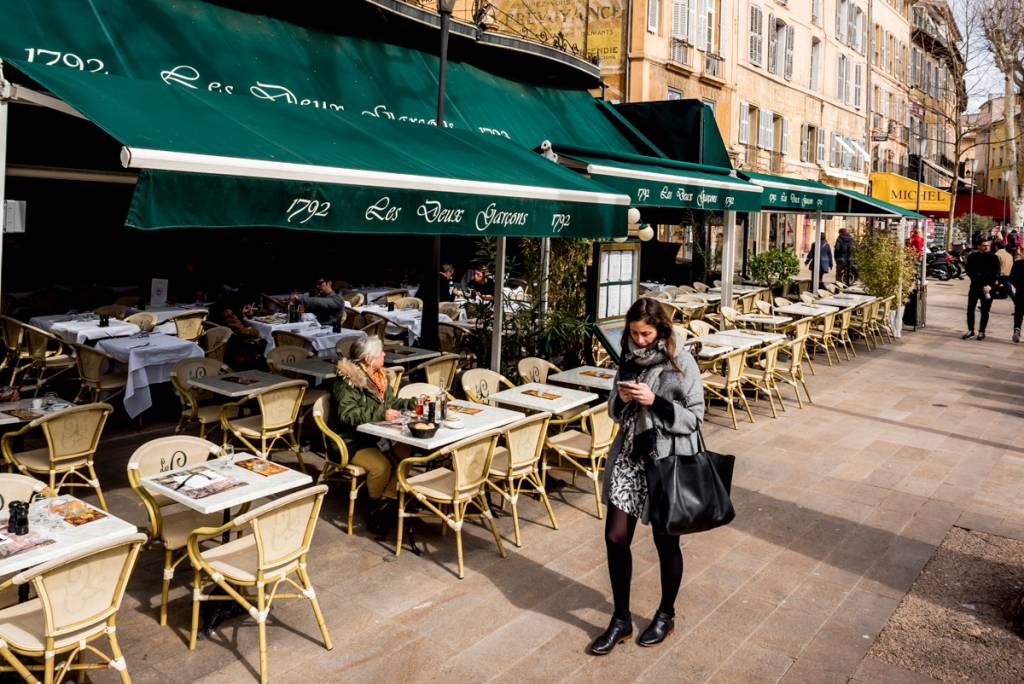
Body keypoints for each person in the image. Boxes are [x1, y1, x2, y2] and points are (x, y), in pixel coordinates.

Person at [590, 298, 705, 656]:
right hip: (629, 456)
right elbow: (612, 410)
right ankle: (621, 618)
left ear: (661, 331)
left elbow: (695, 418)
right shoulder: (626, 357)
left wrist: (654, 400)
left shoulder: (681, 361)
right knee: (614, 536)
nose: (638, 340)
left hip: (665, 461)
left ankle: (665, 614)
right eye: (634, 333)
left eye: (645, 334)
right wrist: (624, 400)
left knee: (665, 542)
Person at [330, 337, 415, 530]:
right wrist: (380, 413)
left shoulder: (379, 377)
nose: (384, 354)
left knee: (406, 452)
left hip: (375, 435)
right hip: (350, 440)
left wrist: (413, 403)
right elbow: (347, 415)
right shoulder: (346, 383)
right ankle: (374, 506)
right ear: (368, 359)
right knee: (382, 466)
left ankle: (388, 499)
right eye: (380, 353)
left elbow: (391, 403)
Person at [208, 291, 266, 370]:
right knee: (264, 341)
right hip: (232, 346)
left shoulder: (218, 308)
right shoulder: (228, 312)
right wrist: (256, 331)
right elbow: (241, 331)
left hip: (222, 342)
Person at [962, 239, 1000, 341]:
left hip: (987, 288)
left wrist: (990, 285)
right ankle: (971, 330)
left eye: (988, 245)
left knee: (985, 311)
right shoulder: (973, 257)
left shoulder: (994, 257)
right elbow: (969, 270)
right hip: (975, 286)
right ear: (978, 246)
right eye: (984, 245)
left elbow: (996, 273)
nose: (986, 247)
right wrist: (977, 278)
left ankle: (982, 331)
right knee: (970, 309)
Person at [1011, 247, 1024, 343]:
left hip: (1020, 292)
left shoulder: (1018, 263)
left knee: (1019, 312)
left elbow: (1011, 278)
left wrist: (1018, 286)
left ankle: (1017, 329)